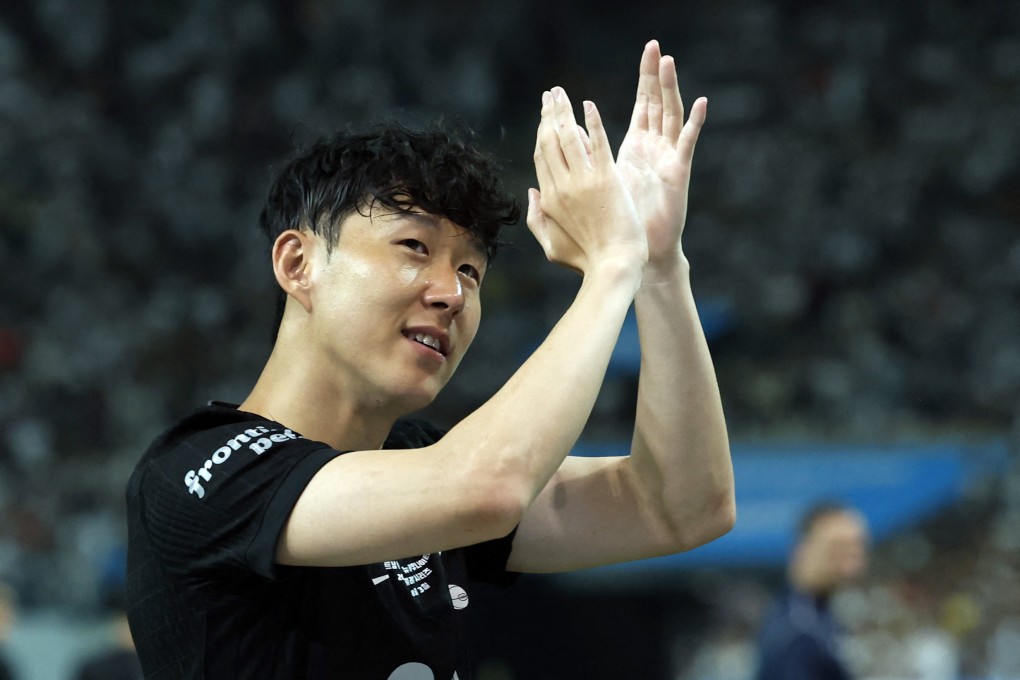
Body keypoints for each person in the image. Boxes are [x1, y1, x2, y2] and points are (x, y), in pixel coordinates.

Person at [126, 39, 735, 679]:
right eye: (414, 247)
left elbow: (683, 506)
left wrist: (658, 265)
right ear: (298, 263)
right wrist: (611, 265)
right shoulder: (202, 472)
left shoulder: (418, 459)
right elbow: (487, 487)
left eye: (470, 270)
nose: (452, 293)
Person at [754, 502, 870, 680]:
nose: (851, 564)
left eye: (856, 548)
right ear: (803, 549)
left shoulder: (820, 613)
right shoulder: (797, 628)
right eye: (837, 548)